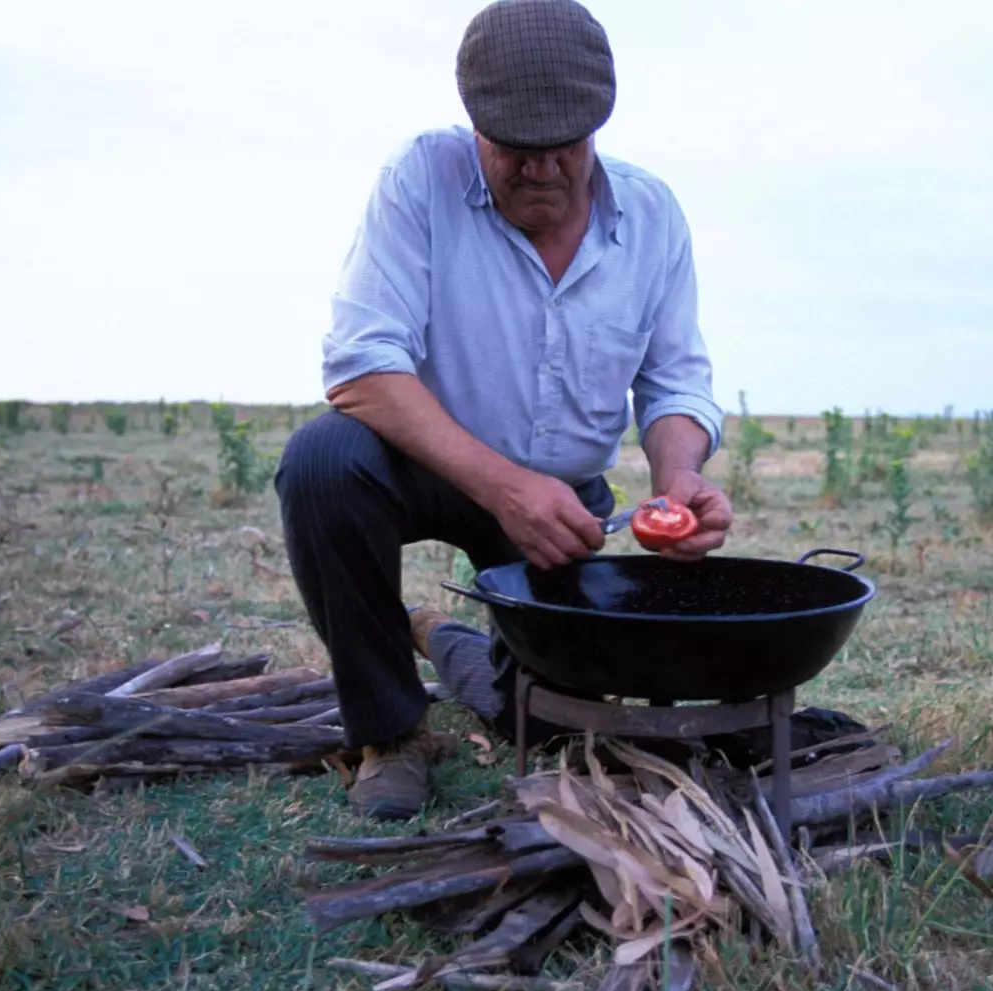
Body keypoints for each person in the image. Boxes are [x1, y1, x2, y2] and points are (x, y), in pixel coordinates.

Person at [275, 0, 733, 821]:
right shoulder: (421, 178)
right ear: (473, 124)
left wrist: (675, 483)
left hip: (565, 506)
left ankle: (439, 637)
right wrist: (500, 485)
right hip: (429, 467)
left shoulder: (653, 216)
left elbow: (675, 382)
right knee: (322, 463)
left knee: (545, 720)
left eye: (564, 148)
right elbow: (360, 367)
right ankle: (390, 732)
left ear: (599, 125)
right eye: (513, 150)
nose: (541, 171)